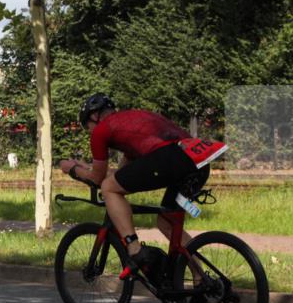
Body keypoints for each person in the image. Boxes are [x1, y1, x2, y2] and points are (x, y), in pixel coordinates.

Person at [59, 93, 227, 283]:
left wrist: (73, 169)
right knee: (167, 223)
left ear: (94, 117)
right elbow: (118, 178)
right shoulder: (132, 123)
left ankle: (134, 249)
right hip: (197, 161)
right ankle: (201, 278)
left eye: (86, 127)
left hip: (169, 157)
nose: (89, 132)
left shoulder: (101, 130)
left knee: (108, 188)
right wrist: (89, 172)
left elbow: (100, 180)